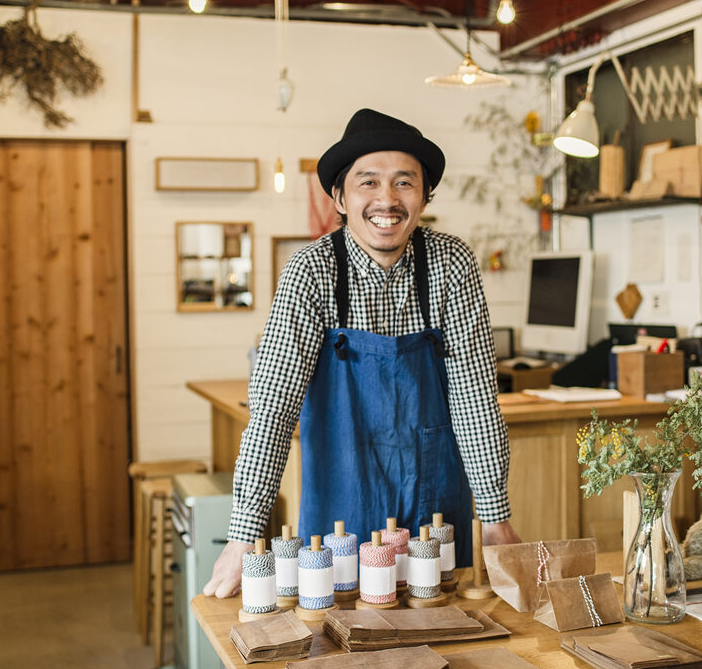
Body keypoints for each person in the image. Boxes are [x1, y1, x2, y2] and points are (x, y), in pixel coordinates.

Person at [203, 108, 520, 598]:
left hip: (434, 505)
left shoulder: (452, 264)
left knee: (445, 633)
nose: (386, 200)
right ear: (340, 197)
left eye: (404, 183)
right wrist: (245, 533)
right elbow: (273, 405)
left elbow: (475, 397)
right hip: (339, 506)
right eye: (367, 182)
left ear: (425, 195)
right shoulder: (311, 272)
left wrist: (495, 519)